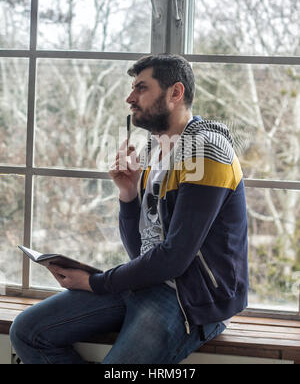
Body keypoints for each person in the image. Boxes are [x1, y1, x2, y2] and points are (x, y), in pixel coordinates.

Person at [10, 54, 248, 364]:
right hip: (148, 282)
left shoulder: (206, 150)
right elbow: (143, 251)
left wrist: (95, 282)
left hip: (191, 299)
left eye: (141, 88)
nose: (129, 98)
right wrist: (128, 195)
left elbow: (174, 258)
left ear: (175, 93)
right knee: (27, 331)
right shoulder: (157, 149)